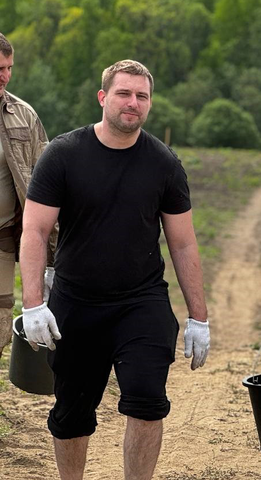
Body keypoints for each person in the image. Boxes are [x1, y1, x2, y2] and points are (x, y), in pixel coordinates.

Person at [18, 59, 211, 480]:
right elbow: (33, 230)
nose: (133, 103)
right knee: (72, 412)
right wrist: (33, 303)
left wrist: (199, 316)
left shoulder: (164, 163)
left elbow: (182, 242)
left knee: (146, 400)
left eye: (142, 96)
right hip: (75, 301)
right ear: (103, 97)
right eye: (124, 93)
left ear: (150, 104)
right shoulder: (63, 155)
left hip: (140, 301)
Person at [0, 32, 57, 359]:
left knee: (1, 324)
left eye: (9, 68)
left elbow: (48, 186)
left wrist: (51, 259)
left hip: (4, 237)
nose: (5, 76)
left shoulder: (24, 115)